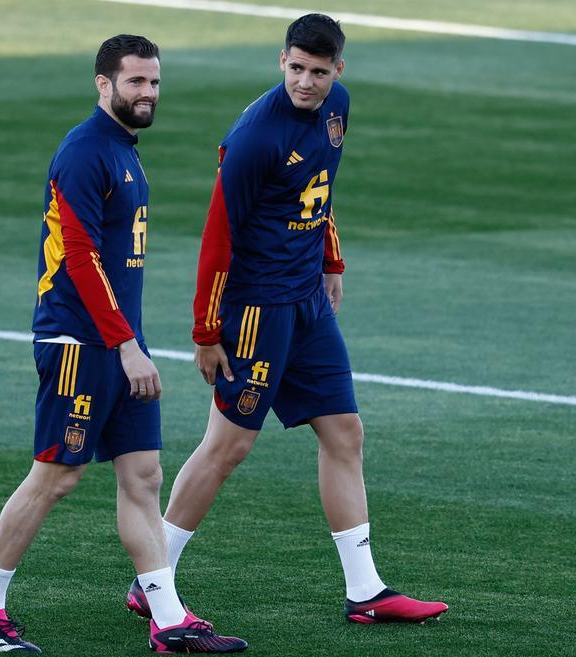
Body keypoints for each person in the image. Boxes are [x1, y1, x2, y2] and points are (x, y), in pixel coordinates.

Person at [124, 14, 449, 625]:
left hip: (307, 304)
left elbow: (320, 189)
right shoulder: (255, 137)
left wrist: (331, 258)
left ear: (338, 72)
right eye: (296, 68)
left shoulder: (336, 108)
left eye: (318, 72)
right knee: (228, 447)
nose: (305, 81)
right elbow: (217, 237)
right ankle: (153, 577)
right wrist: (205, 331)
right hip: (255, 311)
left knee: (345, 432)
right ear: (281, 61)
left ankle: (365, 592)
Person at [0, 34, 246, 655]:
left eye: (155, 82)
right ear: (103, 83)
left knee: (143, 475)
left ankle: (167, 619)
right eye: (136, 82)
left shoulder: (124, 150)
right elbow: (83, 260)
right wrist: (125, 344)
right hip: (79, 343)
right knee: (56, 477)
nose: (148, 93)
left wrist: (130, 343)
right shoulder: (86, 151)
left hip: (119, 345)